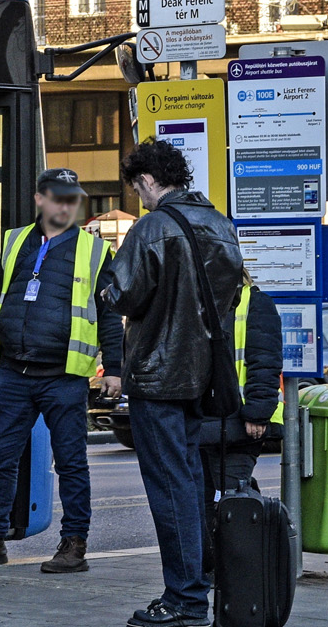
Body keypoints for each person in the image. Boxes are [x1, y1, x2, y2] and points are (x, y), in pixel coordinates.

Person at [0, 168, 125, 574]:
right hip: (12, 372)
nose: (66, 205)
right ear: (40, 199)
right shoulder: (14, 242)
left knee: (71, 463)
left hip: (63, 376)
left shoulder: (95, 251)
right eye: (58, 197)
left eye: (72, 198)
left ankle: (74, 544)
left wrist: (114, 369)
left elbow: (110, 313)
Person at [104, 139, 246, 627]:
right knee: (189, 483)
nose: (139, 198)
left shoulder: (153, 228)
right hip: (201, 377)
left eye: (137, 188)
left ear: (146, 180)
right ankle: (194, 588)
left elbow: (120, 293)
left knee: (171, 488)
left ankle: (185, 599)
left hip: (158, 376)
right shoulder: (220, 225)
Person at [200, 281, 282, 585]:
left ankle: (242, 573)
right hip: (203, 421)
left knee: (234, 501)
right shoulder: (198, 297)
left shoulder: (253, 302)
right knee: (207, 503)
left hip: (238, 422)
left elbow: (264, 359)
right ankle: (217, 570)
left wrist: (258, 411)